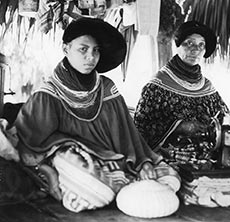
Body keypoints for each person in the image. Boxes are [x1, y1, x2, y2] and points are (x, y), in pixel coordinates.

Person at [8, 17, 180, 213]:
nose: (91, 57)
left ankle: (121, 183)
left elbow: (127, 133)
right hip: (77, 158)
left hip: (113, 157)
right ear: (66, 49)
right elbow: (28, 142)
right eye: (83, 49)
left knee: (170, 178)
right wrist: (47, 168)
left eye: (96, 50)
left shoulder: (106, 87)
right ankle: (117, 185)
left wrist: (143, 162)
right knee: (95, 189)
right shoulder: (48, 94)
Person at [134, 20, 230, 171]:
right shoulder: (156, 86)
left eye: (201, 45)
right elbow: (140, 128)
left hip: (207, 160)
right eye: (189, 43)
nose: (195, 50)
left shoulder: (208, 87)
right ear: (178, 45)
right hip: (170, 163)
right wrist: (178, 127)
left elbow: (223, 117)